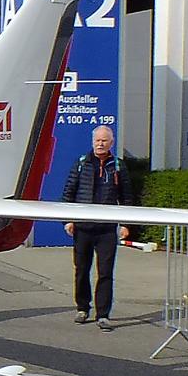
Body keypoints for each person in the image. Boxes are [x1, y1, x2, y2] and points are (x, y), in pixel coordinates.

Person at [62, 124, 131, 329]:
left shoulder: (118, 166)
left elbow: (127, 197)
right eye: (97, 141)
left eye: (104, 141)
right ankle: (82, 308)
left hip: (106, 229)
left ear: (111, 143)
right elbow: (68, 193)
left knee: (106, 272)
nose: (100, 144)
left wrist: (126, 224)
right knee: (81, 270)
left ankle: (103, 314)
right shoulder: (82, 163)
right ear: (92, 142)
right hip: (83, 227)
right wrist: (68, 220)